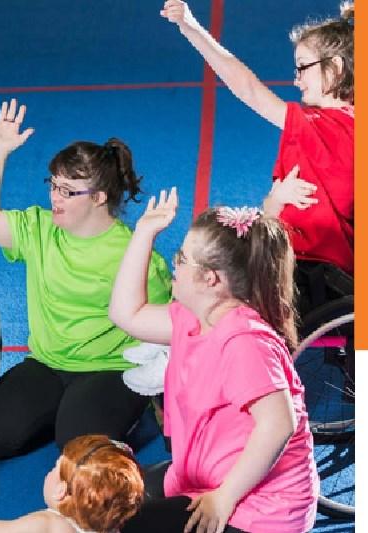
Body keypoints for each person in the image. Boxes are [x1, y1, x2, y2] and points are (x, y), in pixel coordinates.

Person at [0, 98, 171, 496]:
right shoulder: (39, 229)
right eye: (53, 185)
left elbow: (165, 331)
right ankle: (57, 412)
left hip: (109, 368)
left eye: (68, 191)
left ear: (99, 197)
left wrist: (165, 395)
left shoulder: (134, 254)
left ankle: (131, 415)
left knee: (76, 451)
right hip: (47, 362)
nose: (55, 198)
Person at [110, 190, 320, 533]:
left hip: (257, 507)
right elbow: (126, 313)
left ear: (211, 279)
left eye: (182, 258)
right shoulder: (192, 316)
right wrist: (144, 234)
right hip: (202, 475)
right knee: (111, 503)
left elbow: (278, 424)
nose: (174, 264)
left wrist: (225, 497)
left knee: (124, 527)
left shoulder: (244, 341)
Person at [162, 0, 355, 317]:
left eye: (303, 67)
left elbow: (247, 88)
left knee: (210, 267)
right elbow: (273, 213)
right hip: (328, 277)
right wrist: (274, 201)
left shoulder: (319, 129)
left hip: (308, 278)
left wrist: (191, 28)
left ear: (335, 68)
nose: (296, 80)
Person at [0, 433, 145, 533]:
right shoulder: (110, 520)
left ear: (61, 491)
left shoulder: (47, 525)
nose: (51, 471)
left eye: (55, 467)